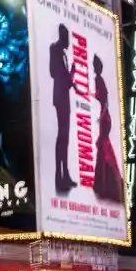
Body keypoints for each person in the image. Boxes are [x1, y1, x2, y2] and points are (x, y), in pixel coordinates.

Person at [91, 55, 124, 203]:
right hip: (105, 118)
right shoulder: (98, 79)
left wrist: (101, 115)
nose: (93, 67)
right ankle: (105, 185)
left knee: (104, 150)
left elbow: (105, 102)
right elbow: (101, 98)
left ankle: (108, 186)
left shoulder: (99, 80)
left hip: (105, 119)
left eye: (95, 65)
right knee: (103, 149)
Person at [50, 24, 76, 194]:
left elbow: (65, 79)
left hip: (64, 97)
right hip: (60, 97)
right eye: (67, 39)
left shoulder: (63, 52)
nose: (69, 43)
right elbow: (54, 72)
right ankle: (59, 176)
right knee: (62, 136)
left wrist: (71, 75)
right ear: (63, 37)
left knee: (65, 137)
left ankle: (65, 173)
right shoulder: (55, 49)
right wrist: (69, 76)